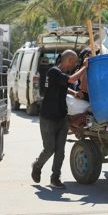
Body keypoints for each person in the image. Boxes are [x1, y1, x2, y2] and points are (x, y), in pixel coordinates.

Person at [31, 49, 88, 189]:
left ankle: (55, 178)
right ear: (69, 61)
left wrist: (74, 92)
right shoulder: (53, 71)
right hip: (48, 117)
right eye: (74, 63)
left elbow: (63, 85)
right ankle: (37, 166)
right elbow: (71, 80)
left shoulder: (59, 74)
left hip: (62, 117)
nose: (74, 65)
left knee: (60, 151)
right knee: (49, 149)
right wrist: (85, 67)